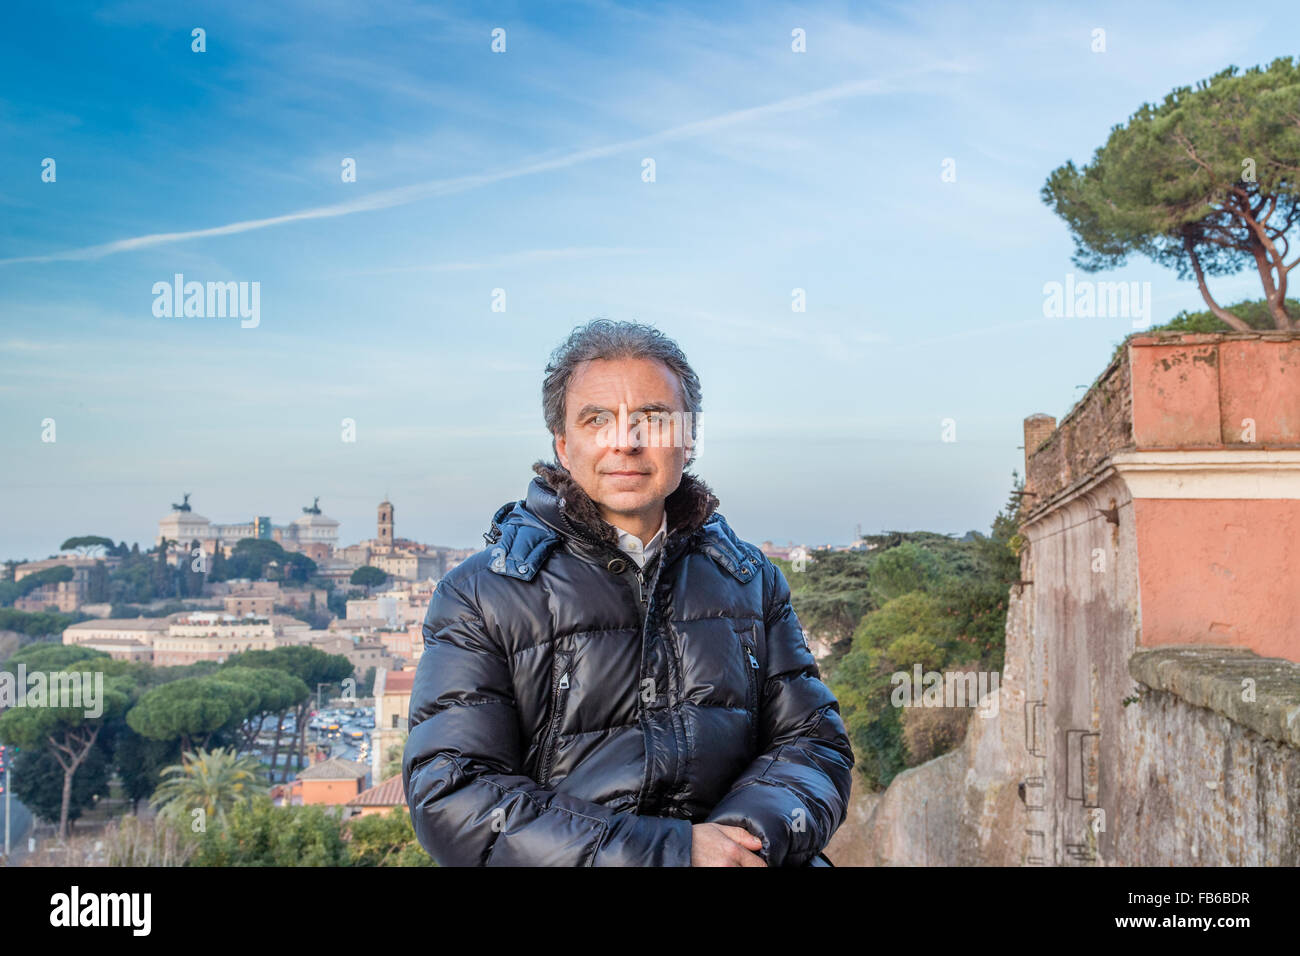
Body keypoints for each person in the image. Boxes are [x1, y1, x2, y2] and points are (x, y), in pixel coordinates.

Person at [403, 319, 854, 866]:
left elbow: (813, 745)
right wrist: (676, 854)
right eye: (598, 419)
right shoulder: (480, 594)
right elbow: (455, 797)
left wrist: (738, 842)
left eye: (653, 418)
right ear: (564, 446)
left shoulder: (751, 578)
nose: (627, 440)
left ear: (687, 442)